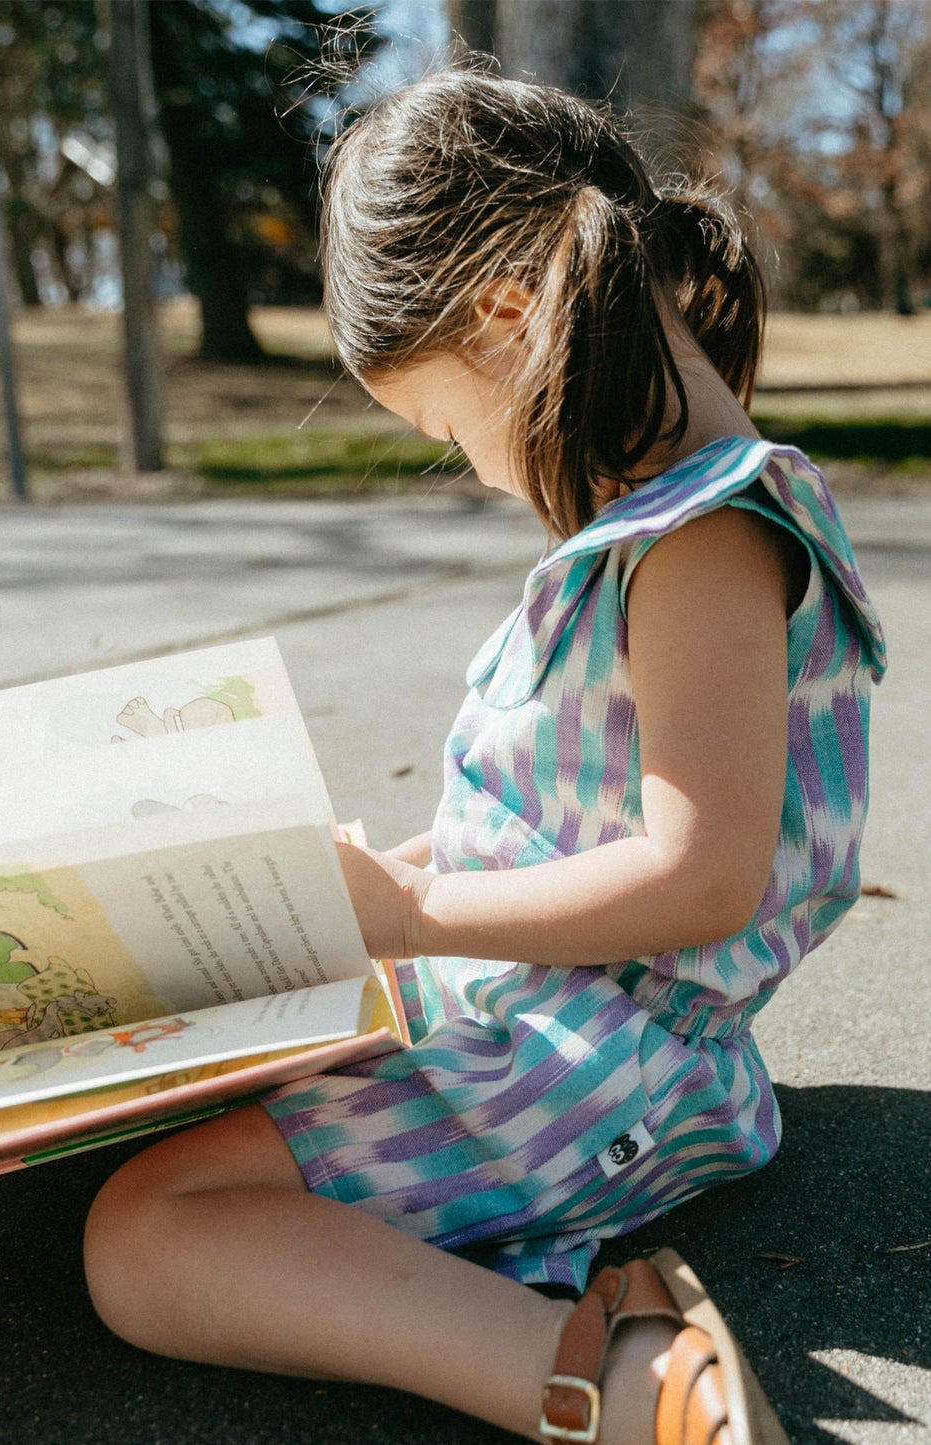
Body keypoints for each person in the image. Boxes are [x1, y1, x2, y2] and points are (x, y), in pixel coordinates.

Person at [82, 68, 886, 1445]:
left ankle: (615, 1383)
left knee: (150, 1230)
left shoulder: (703, 536)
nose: (474, 465)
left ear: (508, 317)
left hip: (605, 1052)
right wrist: (371, 886)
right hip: (544, 1008)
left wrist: (411, 912)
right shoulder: (658, 531)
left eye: (447, 430)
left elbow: (701, 878)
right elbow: (546, 825)